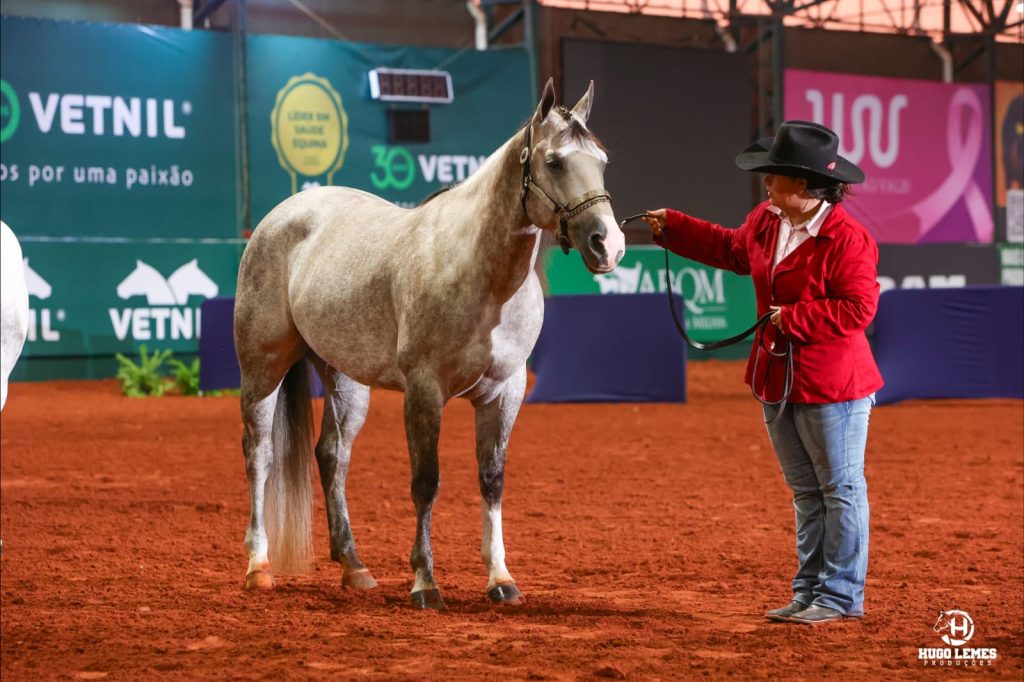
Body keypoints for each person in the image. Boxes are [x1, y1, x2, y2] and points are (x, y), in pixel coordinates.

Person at [642, 120, 883, 624]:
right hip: (779, 377)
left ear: (802, 183)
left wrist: (794, 319)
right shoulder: (766, 220)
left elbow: (858, 309)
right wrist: (677, 227)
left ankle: (839, 596)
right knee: (807, 492)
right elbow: (732, 249)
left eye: (774, 175)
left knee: (838, 489)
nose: (765, 182)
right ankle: (809, 589)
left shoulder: (847, 239)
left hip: (830, 383)